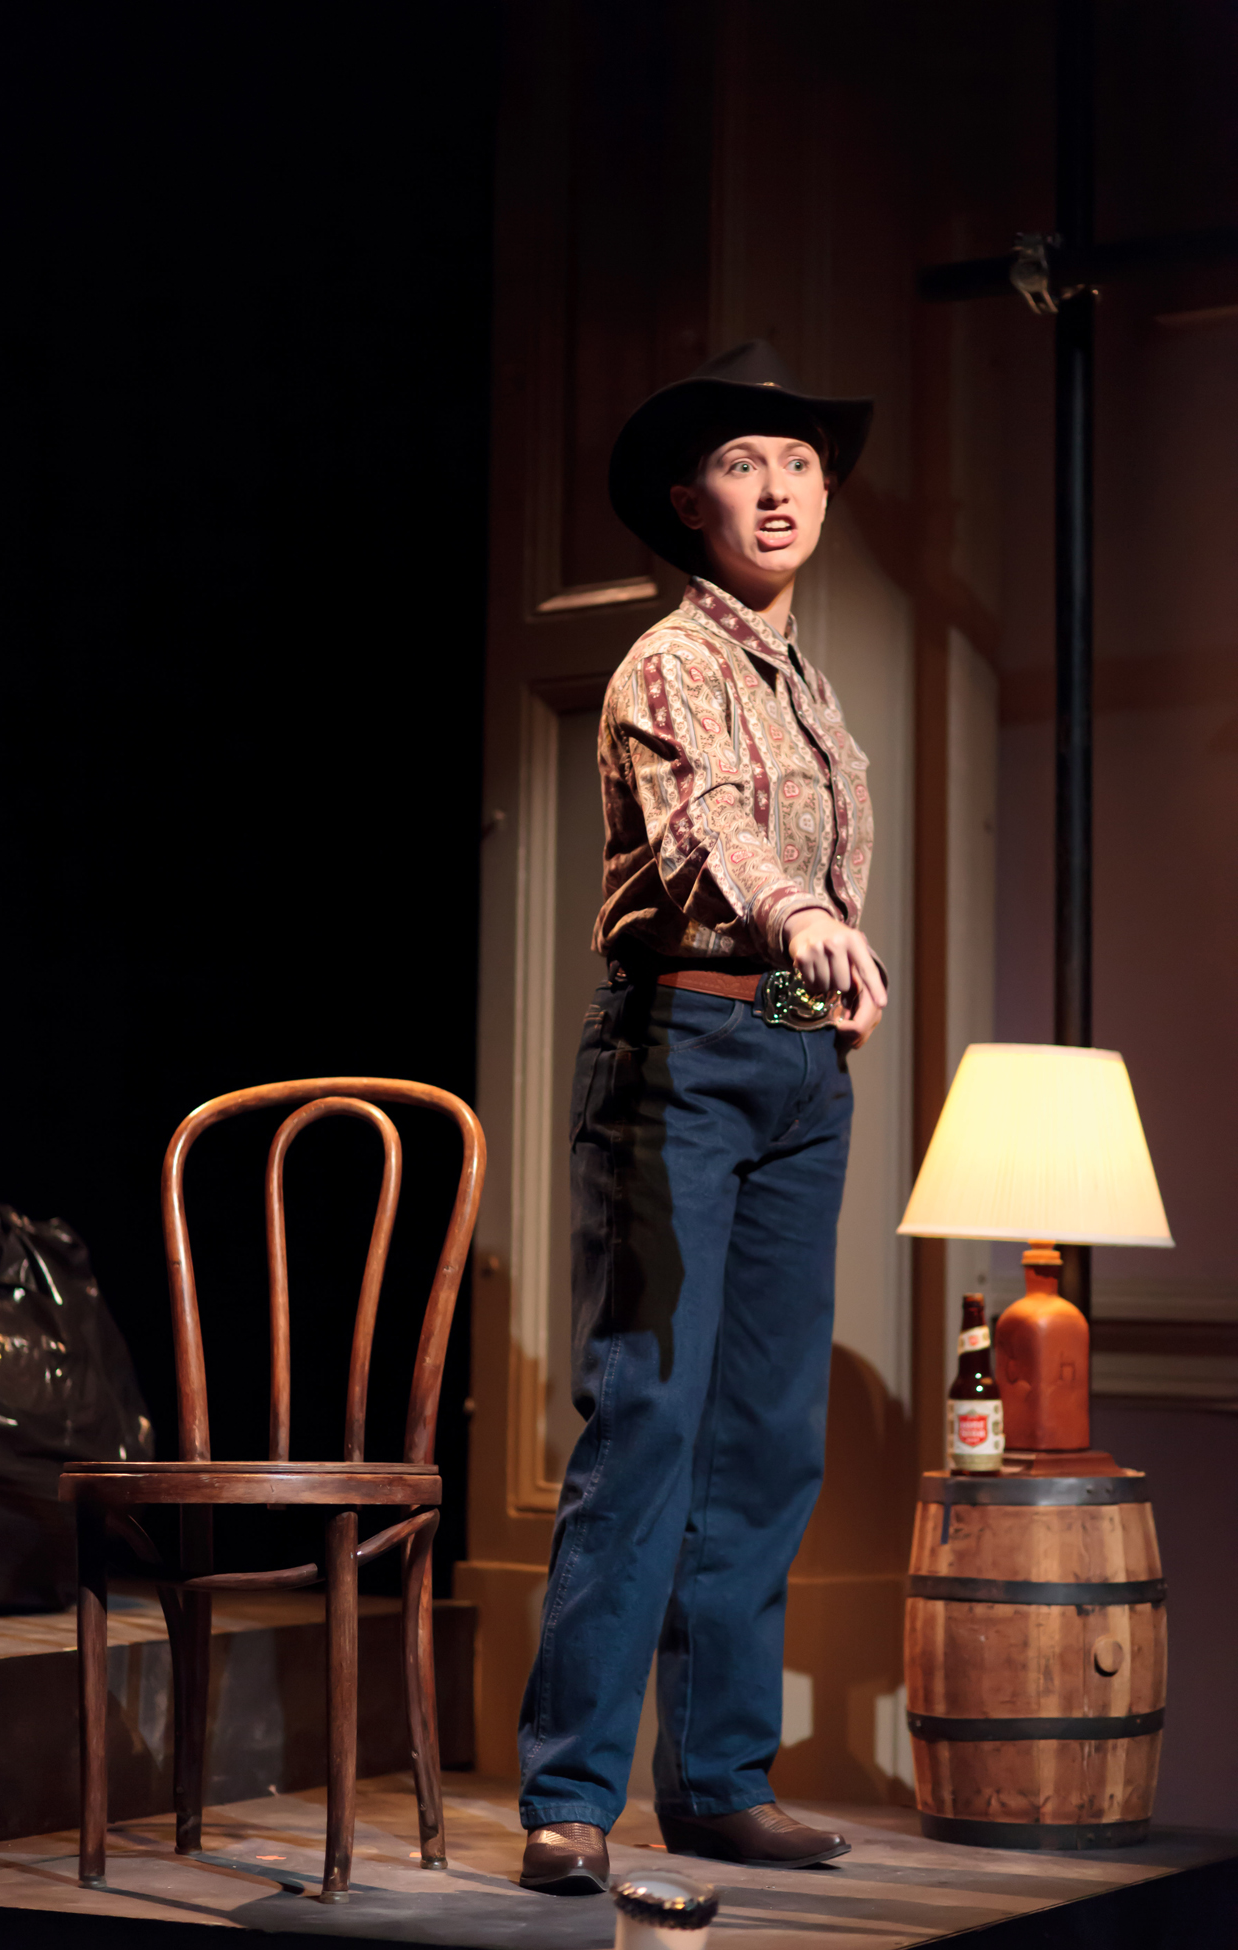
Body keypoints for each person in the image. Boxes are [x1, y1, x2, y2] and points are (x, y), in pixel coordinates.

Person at [517, 341, 888, 1896]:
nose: (780, 488)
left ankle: (721, 1777)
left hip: (792, 1060)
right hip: (678, 1051)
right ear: (692, 502)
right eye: (746, 464)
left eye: (800, 462)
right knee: (651, 1413)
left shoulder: (816, 691)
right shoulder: (669, 662)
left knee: (768, 1433)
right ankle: (570, 1794)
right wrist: (803, 918)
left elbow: (815, 881)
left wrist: (833, 992)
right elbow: (712, 833)